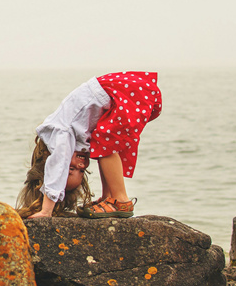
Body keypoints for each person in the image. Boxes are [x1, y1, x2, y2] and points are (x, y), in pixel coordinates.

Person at [16, 71, 162, 219]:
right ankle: (109, 198)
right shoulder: (72, 131)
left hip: (122, 91)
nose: (81, 166)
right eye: (82, 171)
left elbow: (57, 168)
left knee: (104, 145)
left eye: (71, 168)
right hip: (126, 89)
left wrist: (46, 211)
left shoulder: (60, 136)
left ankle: (121, 200)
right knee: (103, 145)